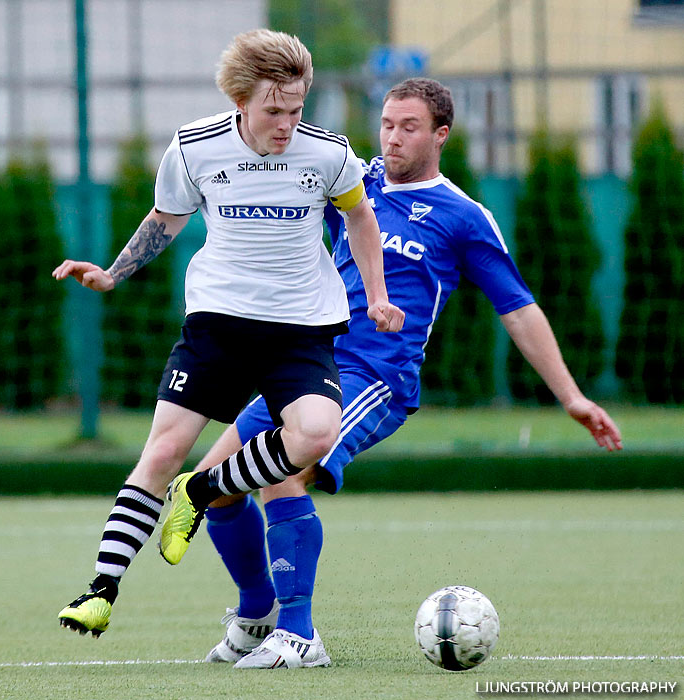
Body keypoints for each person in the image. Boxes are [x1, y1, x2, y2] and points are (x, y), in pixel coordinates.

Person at [177, 77, 623, 669]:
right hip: (307, 363)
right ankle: (257, 616)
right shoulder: (351, 180)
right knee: (210, 486)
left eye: (408, 127)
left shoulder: (464, 217)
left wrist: (571, 397)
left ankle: (300, 634)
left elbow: (518, 310)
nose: (392, 138)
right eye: (386, 124)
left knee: (280, 472)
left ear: (441, 135)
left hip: (375, 378)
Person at [51, 28, 404, 640]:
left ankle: (205, 488)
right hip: (218, 322)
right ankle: (100, 592)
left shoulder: (329, 154)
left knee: (316, 436)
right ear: (240, 100)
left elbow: (359, 216)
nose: (286, 124)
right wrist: (112, 275)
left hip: (300, 328)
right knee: (161, 452)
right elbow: (165, 220)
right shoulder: (193, 148)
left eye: (295, 109)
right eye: (273, 110)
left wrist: (376, 295)